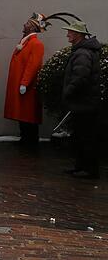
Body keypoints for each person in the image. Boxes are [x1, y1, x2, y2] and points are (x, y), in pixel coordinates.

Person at [61, 21, 102, 179]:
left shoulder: (83, 53)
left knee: (86, 136)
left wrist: (69, 92)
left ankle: (88, 169)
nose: (68, 34)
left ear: (78, 34)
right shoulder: (82, 51)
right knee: (80, 135)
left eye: (70, 32)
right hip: (84, 102)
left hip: (84, 103)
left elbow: (80, 77)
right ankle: (81, 166)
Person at [3, 14, 45, 144]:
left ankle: (30, 139)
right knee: (23, 115)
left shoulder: (36, 44)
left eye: (27, 23)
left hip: (28, 87)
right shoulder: (26, 42)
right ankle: (25, 137)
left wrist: (24, 83)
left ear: (33, 27)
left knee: (28, 115)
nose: (24, 24)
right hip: (22, 86)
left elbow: (33, 65)